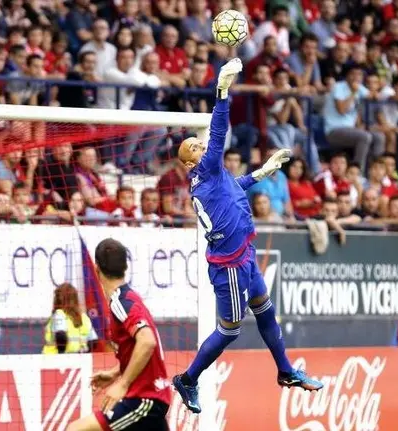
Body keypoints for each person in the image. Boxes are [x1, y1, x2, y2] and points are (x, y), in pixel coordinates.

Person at [172, 58, 323, 415]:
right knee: (230, 330)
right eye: (195, 146)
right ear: (191, 163)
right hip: (228, 266)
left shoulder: (211, 177)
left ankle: (285, 370)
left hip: (244, 255)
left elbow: (235, 186)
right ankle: (188, 379)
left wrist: (263, 171)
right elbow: (220, 131)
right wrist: (222, 93)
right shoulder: (205, 170)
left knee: (266, 311)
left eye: (199, 143)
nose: (201, 146)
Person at [67, 238, 170, 431]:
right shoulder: (131, 298)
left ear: (96, 269)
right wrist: (115, 373)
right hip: (153, 398)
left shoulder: (120, 302)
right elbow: (138, 346)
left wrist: (122, 383)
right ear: (125, 267)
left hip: (144, 399)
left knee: (75, 429)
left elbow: (147, 342)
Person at [43, 283, 97, 354]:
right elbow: (93, 341)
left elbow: (60, 335)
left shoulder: (59, 314)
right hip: (80, 359)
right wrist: (84, 353)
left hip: (55, 359)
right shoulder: (84, 317)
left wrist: (61, 353)